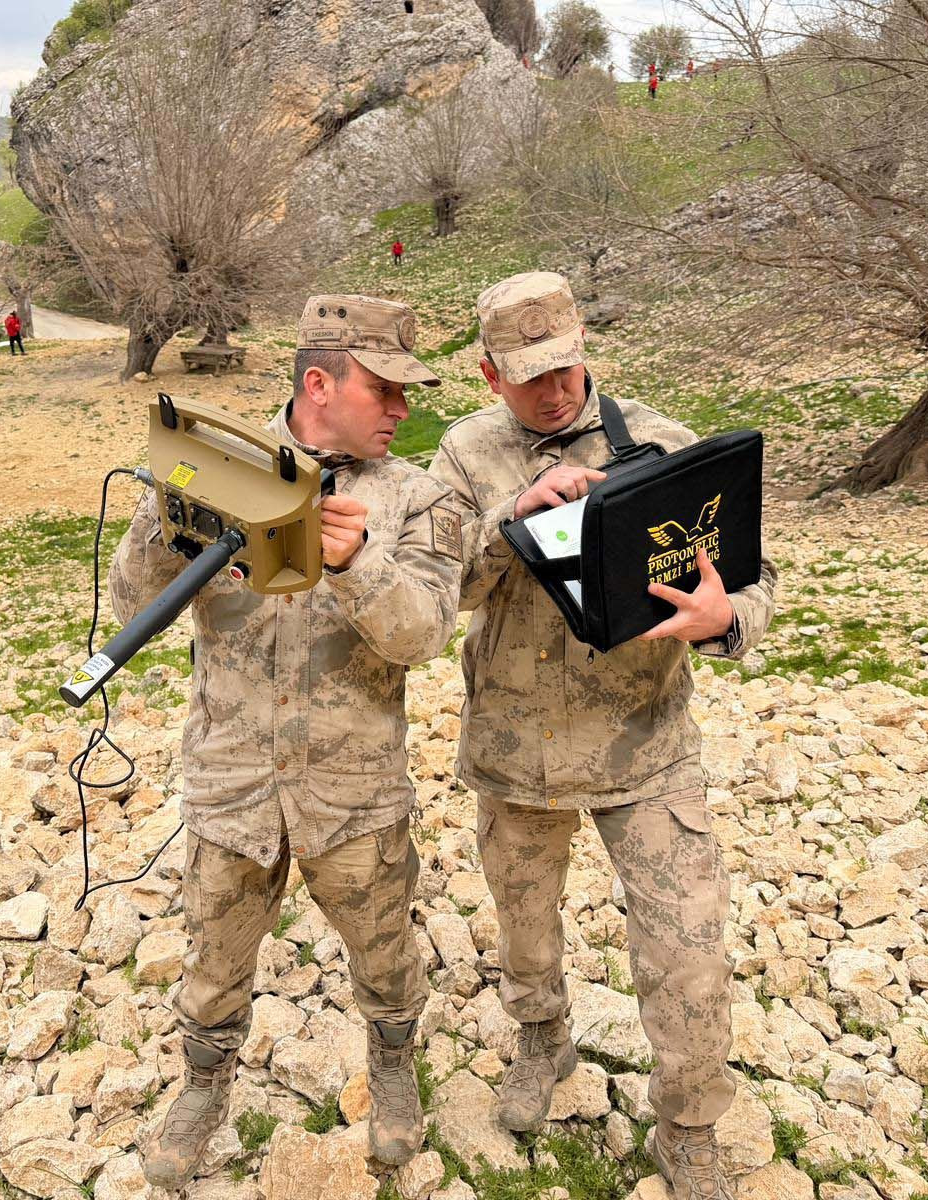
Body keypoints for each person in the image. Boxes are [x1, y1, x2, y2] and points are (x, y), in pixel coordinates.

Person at [428, 271, 778, 1200]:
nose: (555, 389)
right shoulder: (462, 456)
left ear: (587, 347)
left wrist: (726, 619)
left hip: (647, 746)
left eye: (568, 365)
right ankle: (542, 1042)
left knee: (689, 953)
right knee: (526, 929)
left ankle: (690, 1125)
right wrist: (512, 519)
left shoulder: (661, 442)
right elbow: (436, 587)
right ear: (487, 372)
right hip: (516, 748)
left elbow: (754, 577)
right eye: (530, 373)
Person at [111, 294, 462, 1188]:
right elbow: (131, 604)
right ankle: (203, 1086)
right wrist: (169, 513)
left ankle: (391, 1068)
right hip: (233, 781)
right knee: (214, 956)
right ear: (320, 382)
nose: (402, 409)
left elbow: (423, 635)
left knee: (384, 950)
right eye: (384, 389)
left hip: (354, 790)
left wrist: (358, 566)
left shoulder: (419, 498)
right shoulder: (216, 466)